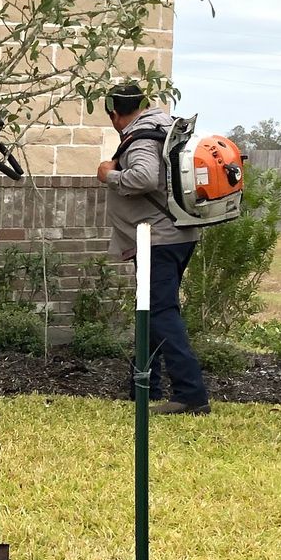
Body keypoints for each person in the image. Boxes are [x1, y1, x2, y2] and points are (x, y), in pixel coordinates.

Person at [98, 79, 210, 415]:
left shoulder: (142, 139)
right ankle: (143, 386)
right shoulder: (165, 126)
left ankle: (191, 395)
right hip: (176, 233)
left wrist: (109, 176)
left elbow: (144, 178)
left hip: (158, 238)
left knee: (161, 312)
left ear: (116, 114)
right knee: (151, 310)